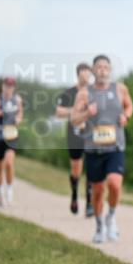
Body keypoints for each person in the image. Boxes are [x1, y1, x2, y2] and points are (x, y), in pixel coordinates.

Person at [71, 55, 133, 244]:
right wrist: (86, 113)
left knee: (114, 184)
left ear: (110, 70)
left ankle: (111, 216)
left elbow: (129, 106)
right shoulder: (84, 93)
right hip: (93, 149)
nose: (103, 70)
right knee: (97, 190)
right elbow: (74, 119)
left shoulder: (120, 88)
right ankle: (99, 225)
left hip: (116, 146)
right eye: (99, 67)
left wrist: (126, 117)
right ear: (93, 70)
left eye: (106, 67)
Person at [55, 63, 94, 216]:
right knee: (76, 168)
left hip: (91, 133)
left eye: (89, 72)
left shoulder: (94, 91)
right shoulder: (69, 93)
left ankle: (90, 203)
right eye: (84, 72)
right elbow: (58, 112)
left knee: (91, 167)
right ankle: (74, 196)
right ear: (78, 74)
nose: (87, 75)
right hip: (74, 133)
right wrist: (76, 110)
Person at [0, 77, 24, 207]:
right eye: (7, 86)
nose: (9, 88)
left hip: (11, 135)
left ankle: (9, 190)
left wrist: (18, 120)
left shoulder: (17, 100)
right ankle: (0, 191)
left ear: (14, 87)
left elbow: (20, 115)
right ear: (3, 86)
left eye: (11, 86)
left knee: (9, 163)